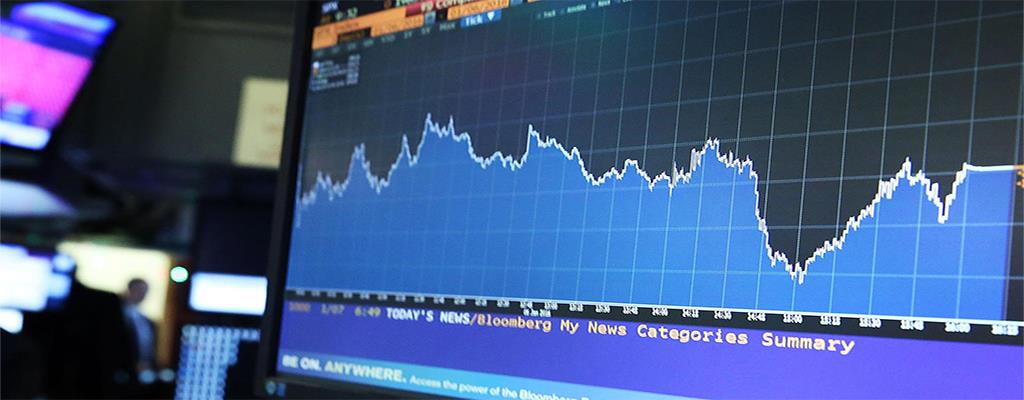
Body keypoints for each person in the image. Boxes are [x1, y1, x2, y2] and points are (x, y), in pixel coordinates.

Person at [122, 278, 157, 375]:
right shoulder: (120, 315)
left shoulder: (145, 320)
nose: (142, 294)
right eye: (139, 290)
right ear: (129, 290)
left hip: (143, 369)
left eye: (145, 291)